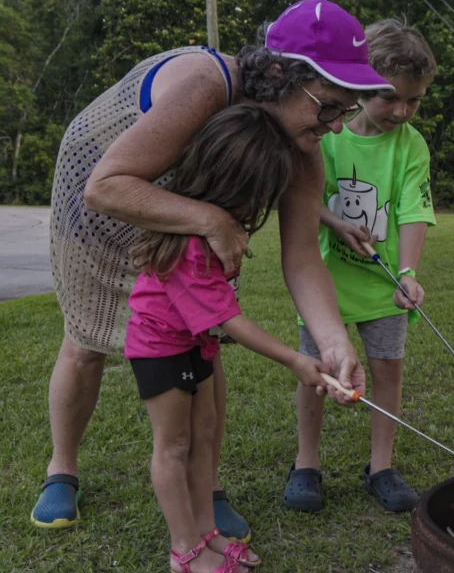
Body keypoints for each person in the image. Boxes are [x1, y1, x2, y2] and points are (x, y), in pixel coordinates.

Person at [33, 0, 393, 543]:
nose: (337, 126)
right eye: (329, 107)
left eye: (346, 111)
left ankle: (206, 486)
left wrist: (334, 343)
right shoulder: (207, 83)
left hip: (196, 220)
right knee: (86, 342)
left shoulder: (303, 143)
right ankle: (62, 469)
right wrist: (210, 219)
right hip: (103, 199)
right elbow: (106, 187)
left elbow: (301, 256)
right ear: (279, 74)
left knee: (203, 337)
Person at [127, 104, 329, 573]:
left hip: (196, 344)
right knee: (174, 446)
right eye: (255, 198)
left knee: (204, 437)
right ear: (228, 184)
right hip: (160, 347)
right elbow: (230, 318)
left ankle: (207, 533)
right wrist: (294, 360)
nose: (257, 211)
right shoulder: (188, 244)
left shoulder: (215, 228)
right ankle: (184, 549)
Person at [284, 19, 437, 514]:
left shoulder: (411, 146)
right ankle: (306, 462)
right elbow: (303, 200)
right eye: (391, 97)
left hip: (383, 288)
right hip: (324, 284)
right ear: (359, 86)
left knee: (387, 372)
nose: (402, 110)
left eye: (414, 100)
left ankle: (381, 466)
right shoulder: (327, 135)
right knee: (318, 370)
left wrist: (408, 272)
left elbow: (414, 209)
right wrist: (333, 222)